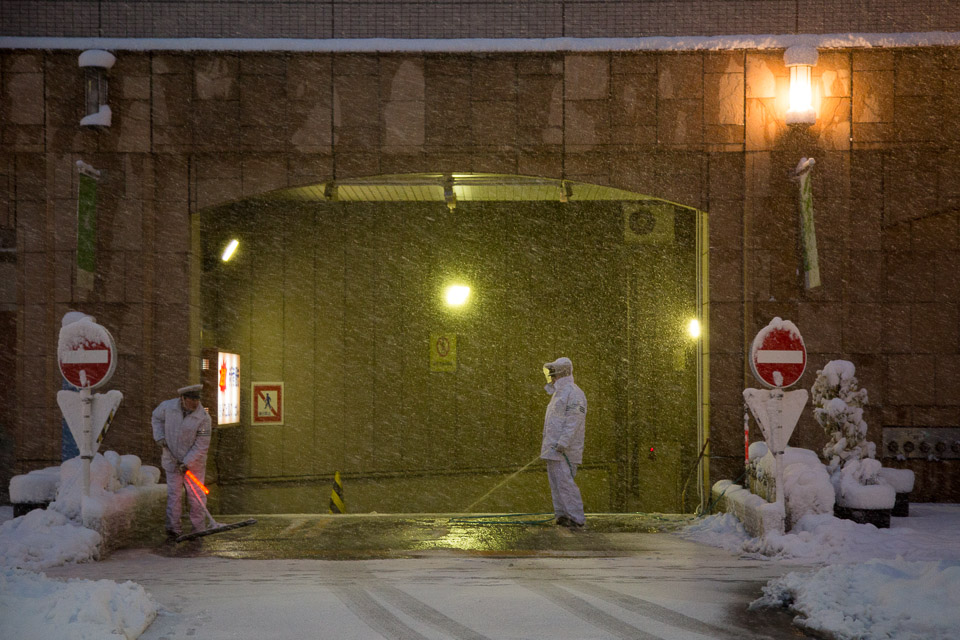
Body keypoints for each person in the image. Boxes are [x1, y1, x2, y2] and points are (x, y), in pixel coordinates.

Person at [152, 384, 212, 539]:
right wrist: (159, 436)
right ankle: (173, 528)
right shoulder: (167, 408)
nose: (195, 402)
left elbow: (202, 445)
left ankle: (198, 528)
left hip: (194, 465)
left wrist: (187, 462)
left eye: (197, 399)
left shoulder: (203, 419)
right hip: (171, 461)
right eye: (192, 399)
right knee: (174, 495)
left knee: (196, 496)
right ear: (183, 399)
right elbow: (156, 417)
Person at [539, 356, 587, 529]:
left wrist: (563, 443)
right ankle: (562, 515)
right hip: (553, 450)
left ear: (562, 373)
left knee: (565, 484)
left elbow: (574, 421)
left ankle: (576, 517)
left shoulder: (574, 393)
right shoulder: (558, 395)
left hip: (564, 451)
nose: (551, 378)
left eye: (554, 374)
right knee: (557, 484)